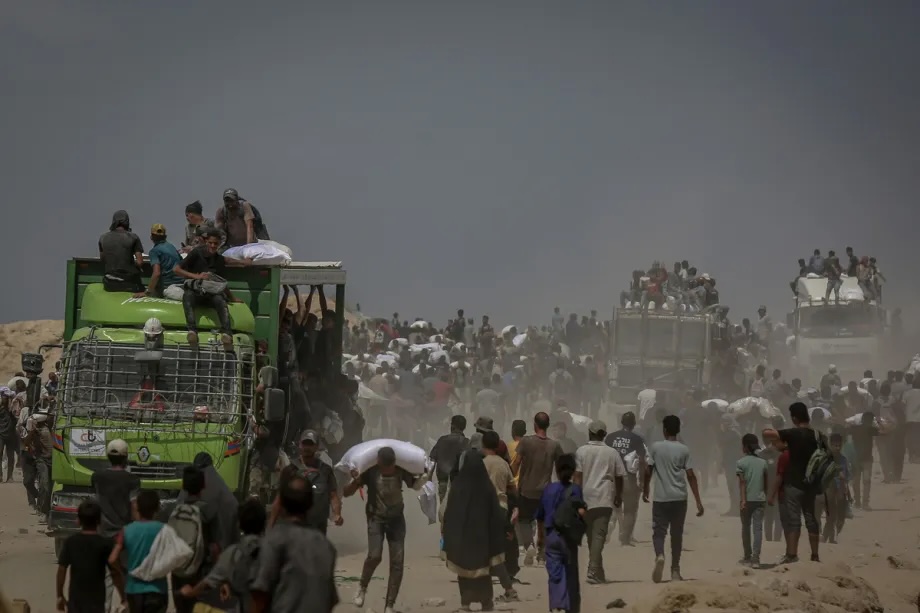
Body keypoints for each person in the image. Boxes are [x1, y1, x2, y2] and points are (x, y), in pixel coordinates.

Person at [344, 446, 427, 613]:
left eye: (391, 468)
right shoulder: (370, 472)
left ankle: (389, 605)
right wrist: (356, 480)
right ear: (379, 463)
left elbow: (415, 485)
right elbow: (347, 493)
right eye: (385, 468)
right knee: (374, 555)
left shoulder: (401, 471)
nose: (388, 471)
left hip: (396, 520)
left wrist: (424, 476)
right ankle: (362, 586)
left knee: (397, 563)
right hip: (376, 518)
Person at [252, 475, 339, 613]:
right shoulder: (326, 546)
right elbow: (330, 600)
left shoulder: (275, 540)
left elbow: (260, 594)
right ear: (310, 505)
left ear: (281, 504)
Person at [442, 450, 512, 612]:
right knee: (483, 573)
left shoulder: (458, 486)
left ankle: (465, 603)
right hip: (482, 540)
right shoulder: (486, 487)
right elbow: (495, 515)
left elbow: (449, 514)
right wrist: (503, 530)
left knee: (464, 572)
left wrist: (447, 534)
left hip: (463, 539)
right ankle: (486, 603)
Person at [643, 415, 704, 584]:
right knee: (677, 534)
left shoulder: (655, 447)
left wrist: (645, 488)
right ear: (678, 431)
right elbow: (691, 476)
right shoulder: (684, 450)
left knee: (659, 532)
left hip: (661, 498)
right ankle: (675, 570)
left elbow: (648, 470)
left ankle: (660, 555)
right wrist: (698, 501)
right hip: (680, 498)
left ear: (664, 430)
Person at [179, 499, 266, 613]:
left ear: (239, 524)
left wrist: (190, 592)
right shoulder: (274, 550)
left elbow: (207, 583)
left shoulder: (233, 553)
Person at [173, 228, 249, 350]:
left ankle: (226, 333)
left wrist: (232, 298)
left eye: (216, 244)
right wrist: (197, 276)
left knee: (220, 300)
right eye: (210, 243)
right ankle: (192, 331)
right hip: (196, 291)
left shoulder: (219, 260)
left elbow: (222, 283)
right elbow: (176, 269)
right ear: (206, 242)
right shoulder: (196, 253)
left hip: (210, 294)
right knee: (188, 296)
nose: (213, 246)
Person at [767, 402, 821, 563]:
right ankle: (815, 555)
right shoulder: (817, 435)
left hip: (794, 483)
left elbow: (770, 434)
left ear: (795, 418)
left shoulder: (792, 433)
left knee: (794, 520)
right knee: (811, 519)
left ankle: (792, 554)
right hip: (811, 484)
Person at [510, 412, 564, 567]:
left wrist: (509, 476)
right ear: (547, 425)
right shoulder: (554, 445)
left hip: (526, 490)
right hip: (546, 491)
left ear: (535, 425)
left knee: (524, 520)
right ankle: (541, 555)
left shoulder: (526, 442)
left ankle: (529, 546)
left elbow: (517, 463)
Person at [574, 420, 625, 584]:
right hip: (604, 498)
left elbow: (578, 477)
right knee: (598, 536)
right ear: (604, 435)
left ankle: (598, 570)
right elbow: (619, 476)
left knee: (592, 536)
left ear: (590, 433)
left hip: (585, 498)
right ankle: (593, 570)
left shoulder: (581, 451)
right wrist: (619, 495)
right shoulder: (612, 453)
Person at [535, 454, 586, 613]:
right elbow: (582, 513)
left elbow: (540, 517)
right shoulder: (576, 490)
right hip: (569, 539)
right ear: (572, 472)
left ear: (556, 470)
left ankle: (557, 605)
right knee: (571, 574)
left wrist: (541, 539)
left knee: (555, 574)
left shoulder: (549, 489)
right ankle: (572, 608)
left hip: (552, 537)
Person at [170, 466, 222, 613]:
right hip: (200, 571)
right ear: (203, 485)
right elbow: (215, 546)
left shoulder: (176, 510)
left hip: (178, 570)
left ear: (183, 486)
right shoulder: (208, 510)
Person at [57, 500, 124, 613]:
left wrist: (60, 595)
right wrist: (123, 596)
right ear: (99, 521)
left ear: (78, 521)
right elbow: (115, 572)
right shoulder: (106, 544)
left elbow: (62, 569)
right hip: (96, 602)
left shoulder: (71, 542)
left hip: (75, 601)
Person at [109, 490, 168, 613]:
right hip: (158, 589)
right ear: (157, 508)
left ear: (138, 508)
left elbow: (112, 559)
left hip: (134, 589)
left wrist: (122, 573)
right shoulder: (164, 530)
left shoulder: (127, 530)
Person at [286, 430, 343, 534]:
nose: (307, 447)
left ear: (316, 446)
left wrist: (337, 514)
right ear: (300, 445)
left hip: (318, 526)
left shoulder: (325, 470)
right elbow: (281, 498)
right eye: (305, 444)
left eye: (310, 444)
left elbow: (333, 495)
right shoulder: (291, 469)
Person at [605, 411, 646, 546]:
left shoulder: (610, 438)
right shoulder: (637, 439)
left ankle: (610, 525)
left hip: (612, 477)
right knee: (629, 509)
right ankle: (625, 538)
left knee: (613, 506)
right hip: (628, 477)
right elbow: (641, 461)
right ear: (633, 424)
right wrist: (642, 481)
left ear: (621, 422)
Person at [736, 433, 768, 568]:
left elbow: (742, 483)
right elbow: (766, 483)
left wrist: (743, 500)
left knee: (746, 528)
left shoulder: (741, 463)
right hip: (760, 499)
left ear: (745, 447)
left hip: (747, 500)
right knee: (758, 529)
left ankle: (747, 556)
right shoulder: (763, 463)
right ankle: (756, 558)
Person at [815, 433, 850, 544]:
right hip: (823, 491)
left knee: (835, 517)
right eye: (835, 445)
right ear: (830, 444)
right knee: (818, 516)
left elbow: (846, 476)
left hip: (838, 492)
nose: (837, 448)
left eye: (839, 445)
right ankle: (822, 535)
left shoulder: (843, 459)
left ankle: (828, 536)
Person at [99, 210, 144, 292]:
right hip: (128, 282)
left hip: (109, 283)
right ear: (127, 221)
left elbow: (103, 259)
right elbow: (140, 262)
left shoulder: (103, 238)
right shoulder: (133, 237)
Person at [430, 415, 471, 501]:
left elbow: (432, 460)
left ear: (452, 426)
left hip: (443, 482)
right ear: (464, 427)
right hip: (460, 484)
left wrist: (429, 478)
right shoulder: (466, 443)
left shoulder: (442, 440)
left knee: (443, 508)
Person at [136, 224, 182, 299]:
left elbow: (156, 273)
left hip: (167, 288)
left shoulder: (154, 251)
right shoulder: (172, 247)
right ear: (165, 236)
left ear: (151, 237)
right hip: (180, 285)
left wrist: (148, 292)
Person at [848, 411, 880, 509]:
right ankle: (865, 503)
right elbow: (883, 431)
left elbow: (845, 431)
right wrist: (878, 422)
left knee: (855, 482)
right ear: (871, 421)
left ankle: (857, 501)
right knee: (866, 482)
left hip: (855, 459)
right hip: (867, 459)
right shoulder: (871, 429)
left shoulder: (854, 428)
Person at [759, 429, 783, 543]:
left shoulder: (781, 455)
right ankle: (769, 540)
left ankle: (777, 540)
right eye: (766, 441)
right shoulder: (760, 456)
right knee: (768, 516)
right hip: (766, 490)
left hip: (778, 490)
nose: (769, 444)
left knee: (778, 516)